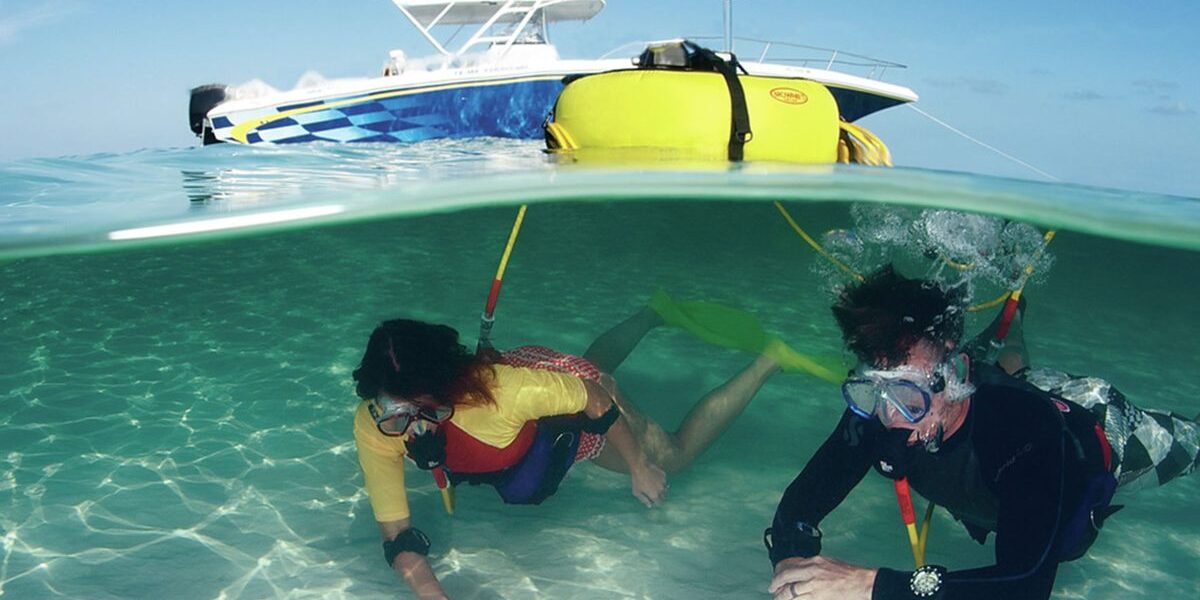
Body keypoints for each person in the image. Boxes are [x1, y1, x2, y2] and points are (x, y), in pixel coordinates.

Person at [765, 265, 1200, 600]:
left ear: (953, 377)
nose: (890, 419)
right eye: (871, 392)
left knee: (1193, 445)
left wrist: (871, 585)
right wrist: (792, 566)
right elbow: (797, 508)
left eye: (908, 399)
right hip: (1009, 389)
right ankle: (1012, 329)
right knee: (1014, 371)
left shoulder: (1022, 434)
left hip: (1100, 427)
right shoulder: (880, 407)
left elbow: (1023, 584)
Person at [353, 304, 780, 599]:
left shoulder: (506, 393)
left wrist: (638, 467)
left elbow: (594, 401)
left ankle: (770, 359)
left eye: (427, 410)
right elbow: (398, 537)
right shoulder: (374, 427)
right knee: (587, 378)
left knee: (672, 455)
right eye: (394, 411)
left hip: (566, 404)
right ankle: (654, 312)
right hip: (538, 408)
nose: (412, 429)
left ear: (450, 390)